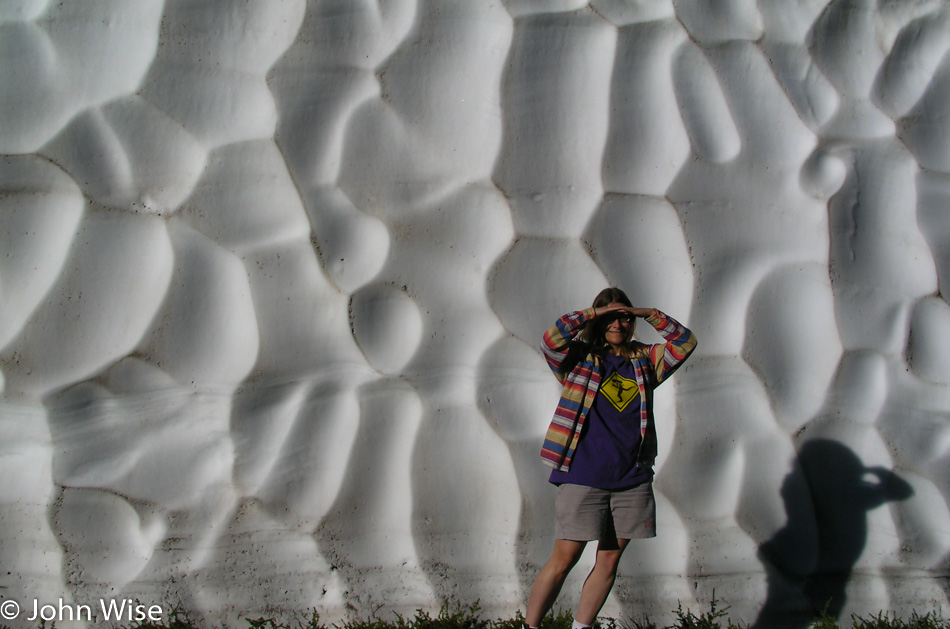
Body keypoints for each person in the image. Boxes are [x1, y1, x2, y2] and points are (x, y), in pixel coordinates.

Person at [525, 287, 697, 629]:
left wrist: (648, 313)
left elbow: (685, 343)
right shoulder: (578, 359)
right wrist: (592, 314)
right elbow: (551, 339)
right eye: (610, 316)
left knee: (609, 560)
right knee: (566, 557)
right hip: (582, 472)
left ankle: (581, 627)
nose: (617, 323)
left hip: (631, 476)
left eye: (623, 316)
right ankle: (530, 627)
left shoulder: (646, 359)